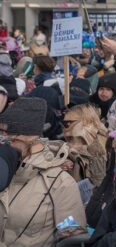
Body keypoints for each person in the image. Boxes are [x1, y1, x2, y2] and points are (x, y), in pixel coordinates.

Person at [0, 97, 86, 246]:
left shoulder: (60, 183)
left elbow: (71, 236)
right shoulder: (5, 168)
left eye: (8, 135)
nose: (3, 139)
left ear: (27, 136)